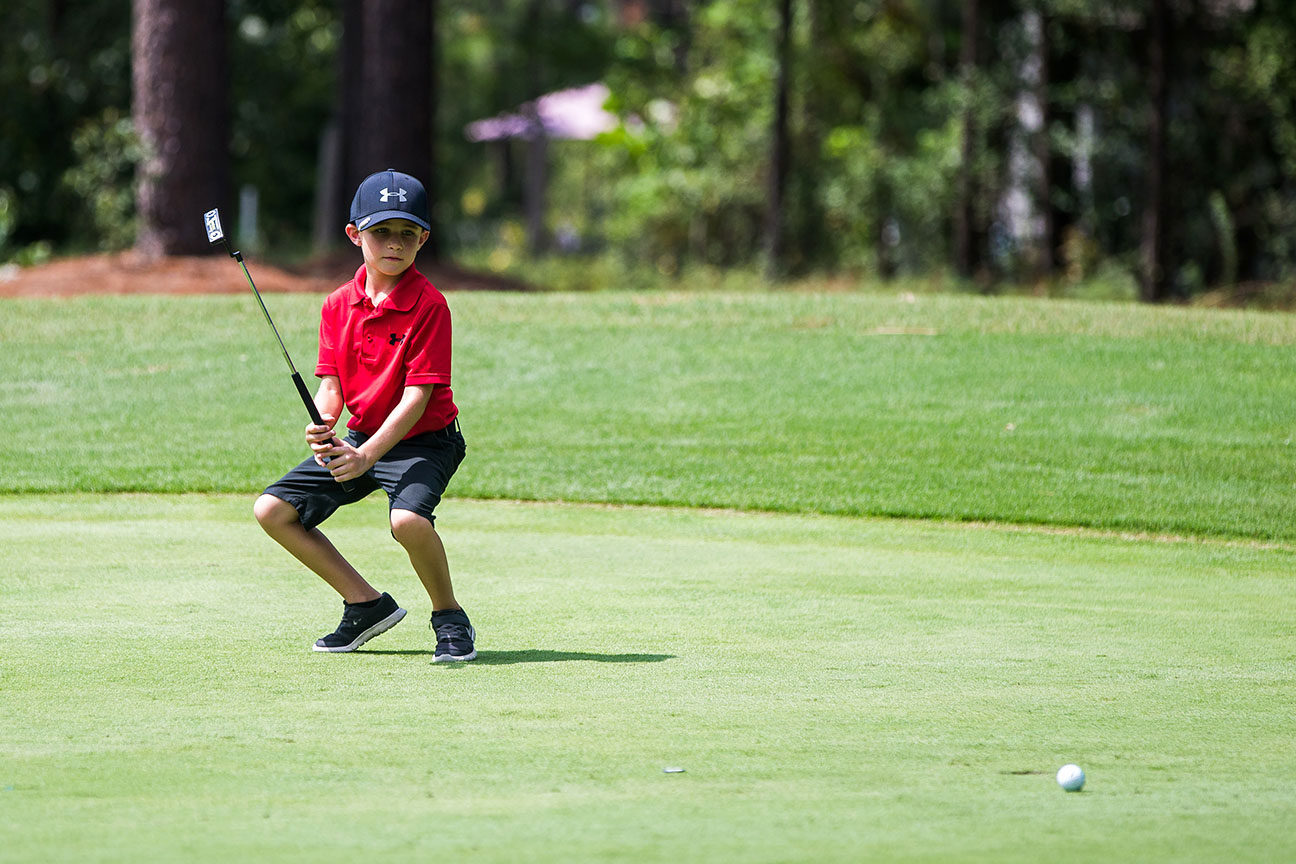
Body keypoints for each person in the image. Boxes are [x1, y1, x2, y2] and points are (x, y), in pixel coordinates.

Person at [253, 169, 475, 661]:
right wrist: (324, 422)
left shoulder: (430, 305)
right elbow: (330, 385)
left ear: (423, 239)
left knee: (407, 521)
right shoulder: (337, 304)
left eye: (407, 234)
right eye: (381, 233)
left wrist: (366, 455)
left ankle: (449, 617)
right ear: (355, 235)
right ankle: (365, 604)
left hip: (425, 440)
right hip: (360, 437)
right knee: (272, 510)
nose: (393, 244)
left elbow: (417, 397)